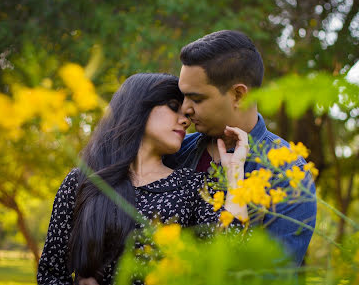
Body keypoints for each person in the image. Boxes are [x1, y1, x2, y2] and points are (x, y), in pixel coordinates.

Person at [37, 73, 248, 285]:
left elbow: (229, 255)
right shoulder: (83, 181)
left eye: (186, 115)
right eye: (174, 106)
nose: (185, 121)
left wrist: (235, 172)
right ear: (138, 107)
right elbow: (50, 274)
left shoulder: (193, 186)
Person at [163, 30, 317, 266]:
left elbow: (271, 276)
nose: (185, 109)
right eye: (183, 97)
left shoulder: (288, 174)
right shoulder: (175, 151)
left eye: (197, 98)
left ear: (238, 95)